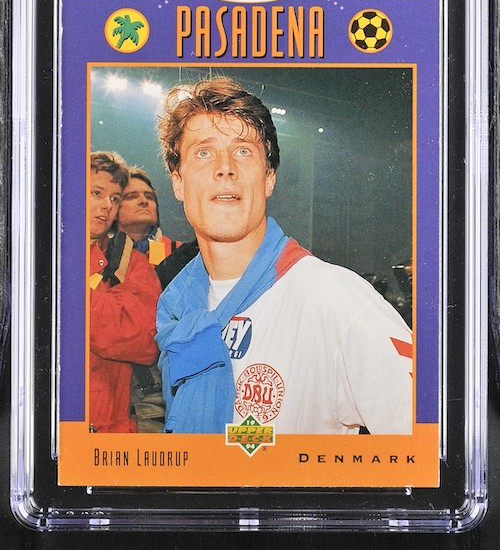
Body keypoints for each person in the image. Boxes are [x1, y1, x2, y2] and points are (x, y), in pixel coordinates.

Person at [155, 78, 413, 435]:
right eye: (203, 152)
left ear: (269, 178)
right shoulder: (179, 307)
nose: (225, 167)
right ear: (178, 182)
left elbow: (429, 448)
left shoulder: (335, 299)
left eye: (243, 151)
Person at [113, 166, 198, 431]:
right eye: (132, 196)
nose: (144, 201)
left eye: (149, 196)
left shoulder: (184, 254)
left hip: (169, 378)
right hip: (115, 383)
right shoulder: (95, 258)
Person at [88, 151, 161, 433]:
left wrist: (71, 297)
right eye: (96, 193)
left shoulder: (131, 262)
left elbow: (143, 338)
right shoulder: (36, 252)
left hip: (111, 426)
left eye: (115, 198)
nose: (107, 205)